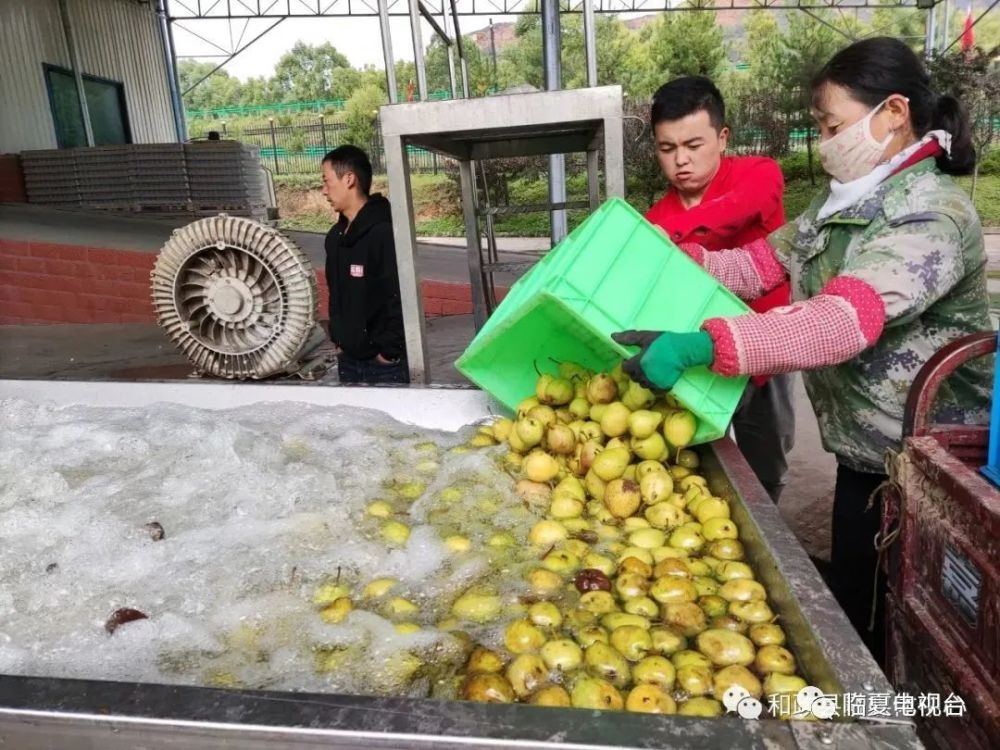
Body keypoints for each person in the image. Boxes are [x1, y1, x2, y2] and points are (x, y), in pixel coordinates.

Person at [614, 37, 992, 665]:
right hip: (865, 455)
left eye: (832, 124)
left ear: (894, 112)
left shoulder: (931, 215)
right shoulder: (844, 203)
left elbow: (843, 319)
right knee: (856, 606)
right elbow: (762, 263)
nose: (822, 141)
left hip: (929, 471)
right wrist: (684, 262)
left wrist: (706, 345)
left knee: (910, 637)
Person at [644, 76, 795, 503]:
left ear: (723, 137)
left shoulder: (758, 175)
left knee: (767, 454)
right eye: (667, 149)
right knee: (697, 457)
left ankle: (769, 526)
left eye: (693, 145)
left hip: (768, 350)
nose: (681, 161)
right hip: (696, 352)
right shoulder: (657, 214)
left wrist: (661, 236)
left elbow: (731, 213)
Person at [322, 145, 408, 384]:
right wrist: (339, 341)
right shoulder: (335, 237)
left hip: (383, 367)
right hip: (347, 361)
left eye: (327, 182)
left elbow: (399, 296)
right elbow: (335, 295)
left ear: (349, 179)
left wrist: (389, 352)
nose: (324, 191)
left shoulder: (384, 232)